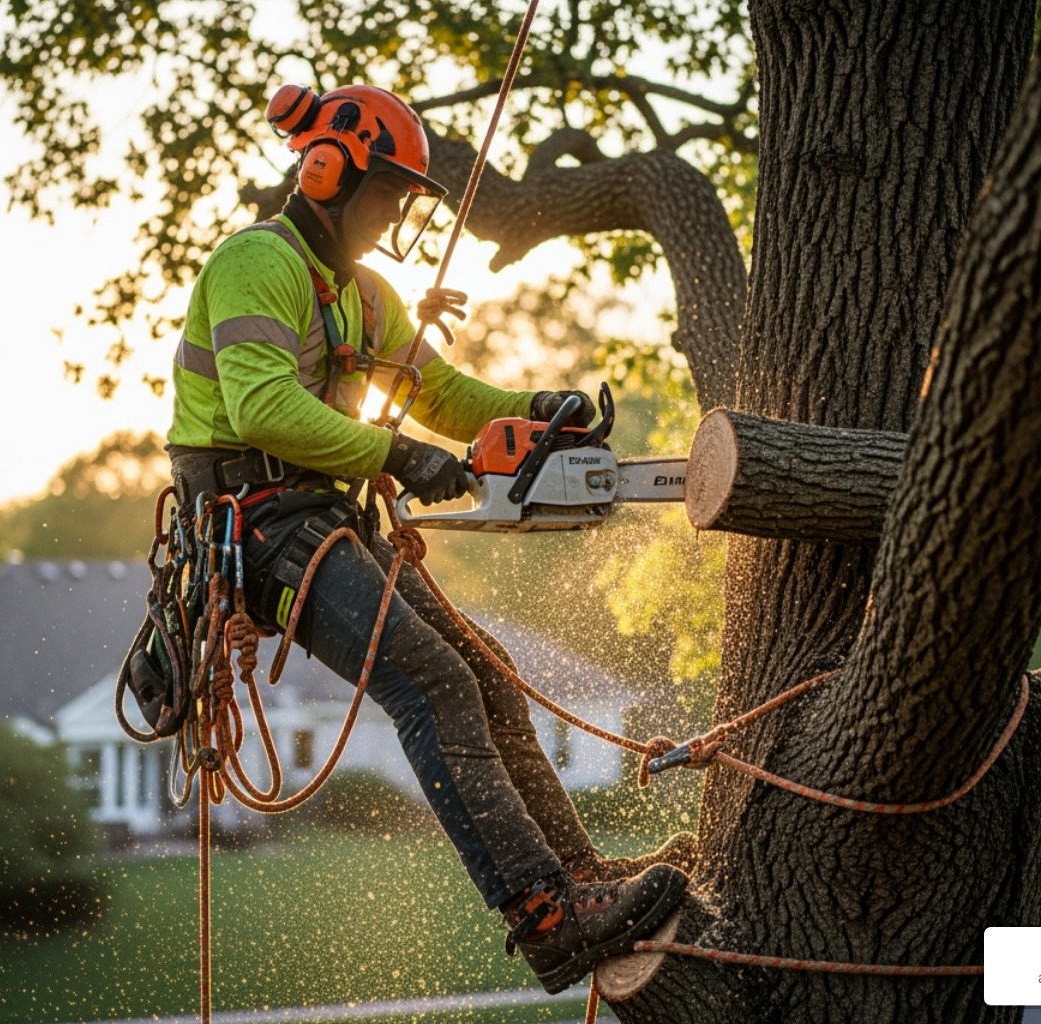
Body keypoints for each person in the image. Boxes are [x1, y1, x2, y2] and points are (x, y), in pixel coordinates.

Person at [159, 82, 695, 994]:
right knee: (429, 677)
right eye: (391, 193)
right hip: (253, 527)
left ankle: (581, 874)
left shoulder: (366, 295)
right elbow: (260, 405)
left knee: (484, 673)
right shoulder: (258, 263)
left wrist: (536, 408)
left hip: (320, 519)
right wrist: (396, 453)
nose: (399, 213)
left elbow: (439, 395)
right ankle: (546, 915)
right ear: (328, 172)